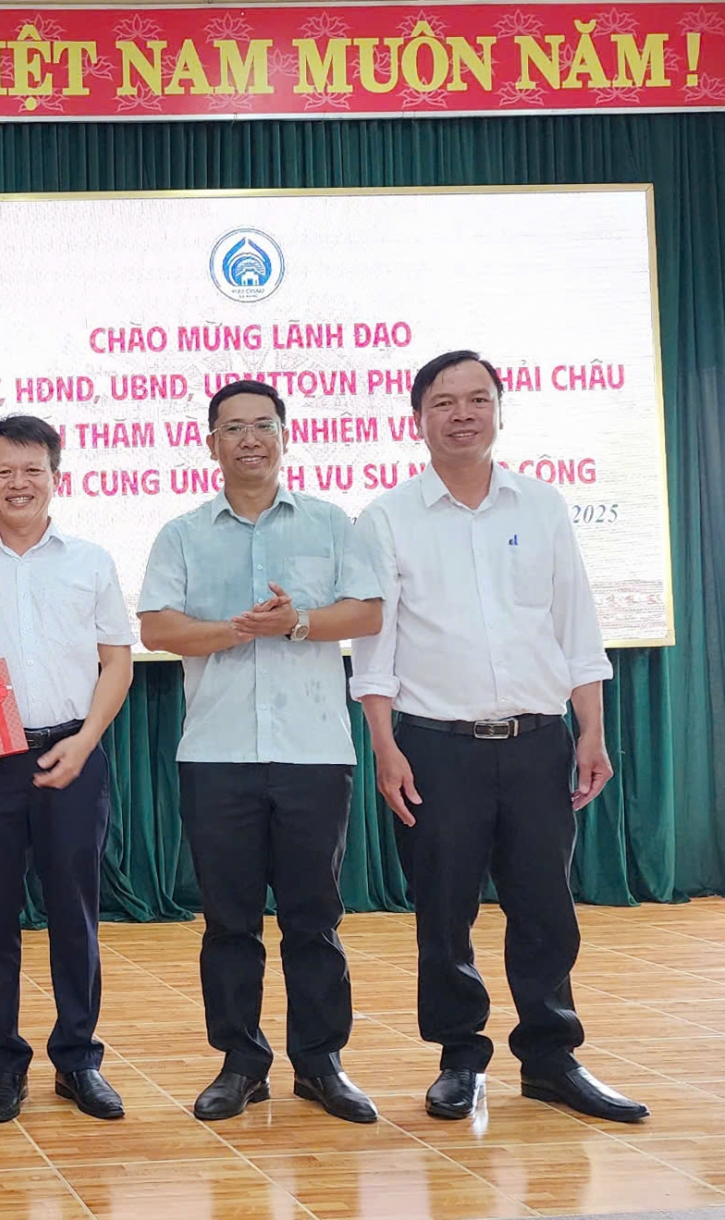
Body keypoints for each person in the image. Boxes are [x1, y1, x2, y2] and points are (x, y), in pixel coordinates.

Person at [351, 351, 648, 1123]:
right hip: (435, 746)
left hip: (537, 741)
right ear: (418, 418)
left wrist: (591, 729)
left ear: (499, 410)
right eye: (444, 402)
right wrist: (384, 745)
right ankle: (460, 1058)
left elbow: (575, 625)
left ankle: (551, 1058)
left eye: (477, 399)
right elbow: (374, 650)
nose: (462, 414)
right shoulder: (387, 517)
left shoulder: (540, 505)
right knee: (444, 911)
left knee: (545, 907)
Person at [137, 380, 384, 1124]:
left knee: (315, 918)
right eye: (234, 428)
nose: (250, 439)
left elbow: (367, 611)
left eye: (264, 426)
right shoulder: (182, 533)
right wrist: (237, 630)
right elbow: (156, 628)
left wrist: (297, 623)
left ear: (284, 435)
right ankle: (241, 1063)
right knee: (229, 921)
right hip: (217, 754)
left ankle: (321, 1063)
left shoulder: (331, 522)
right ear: (210, 443)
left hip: (314, 750)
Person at [0, 413, 135, 1124]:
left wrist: (87, 740)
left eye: (32, 470)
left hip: (73, 748)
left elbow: (117, 661)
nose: (19, 483)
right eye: (5, 471)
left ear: (55, 477)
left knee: (75, 914)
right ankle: (4, 1064)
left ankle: (78, 1061)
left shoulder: (90, 561)